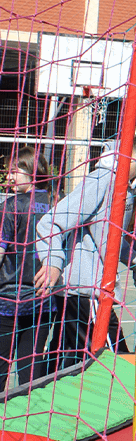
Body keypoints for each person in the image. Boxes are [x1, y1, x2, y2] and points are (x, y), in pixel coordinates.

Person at [36, 137, 136, 371]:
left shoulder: (128, 186)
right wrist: (53, 261)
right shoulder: (102, 180)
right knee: (115, 365)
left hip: (84, 292)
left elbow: (110, 239)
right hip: (86, 292)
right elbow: (50, 222)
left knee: (68, 363)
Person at [0, 148, 55, 388]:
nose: (9, 177)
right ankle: (33, 410)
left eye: (14, 171)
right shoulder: (56, 202)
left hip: (8, 299)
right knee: (31, 370)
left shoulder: (11, 206)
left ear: (32, 171)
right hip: (44, 298)